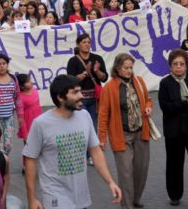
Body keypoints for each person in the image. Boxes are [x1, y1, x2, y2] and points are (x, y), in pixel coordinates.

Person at [23, 75, 122, 209]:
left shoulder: (85, 116)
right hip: (55, 197)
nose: (81, 95)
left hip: (80, 196)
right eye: (75, 92)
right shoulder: (40, 124)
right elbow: (30, 159)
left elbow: (95, 151)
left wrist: (110, 181)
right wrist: (32, 198)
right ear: (60, 97)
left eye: (80, 91)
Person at [98, 53, 153, 209]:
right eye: (126, 68)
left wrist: (148, 107)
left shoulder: (139, 81)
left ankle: (135, 199)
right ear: (117, 68)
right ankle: (127, 205)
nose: (129, 71)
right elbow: (103, 115)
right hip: (122, 135)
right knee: (126, 173)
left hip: (141, 133)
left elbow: (148, 99)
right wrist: (101, 138)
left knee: (141, 170)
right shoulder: (109, 88)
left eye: (131, 67)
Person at [159, 49, 188, 208]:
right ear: (170, 66)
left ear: (186, 66)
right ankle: (175, 195)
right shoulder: (165, 83)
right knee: (174, 164)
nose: (178, 67)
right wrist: (186, 102)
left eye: (181, 64)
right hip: (174, 131)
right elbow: (166, 107)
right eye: (175, 64)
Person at [66, 33, 108, 165]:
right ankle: (83, 154)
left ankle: (91, 155)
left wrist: (96, 71)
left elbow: (104, 78)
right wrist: (85, 73)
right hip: (80, 100)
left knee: (93, 127)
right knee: (81, 126)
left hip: (95, 99)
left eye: (89, 42)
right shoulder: (73, 61)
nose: (87, 44)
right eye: (84, 42)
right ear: (78, 44)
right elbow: (70, 80)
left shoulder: (97, 58)